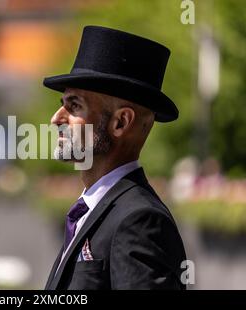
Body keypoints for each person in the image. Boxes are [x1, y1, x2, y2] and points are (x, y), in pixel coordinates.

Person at [43, 26, 187, 290]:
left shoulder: (139, 221)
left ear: (121, 122)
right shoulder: (97, 210)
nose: (56, 119)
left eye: (74, 105)